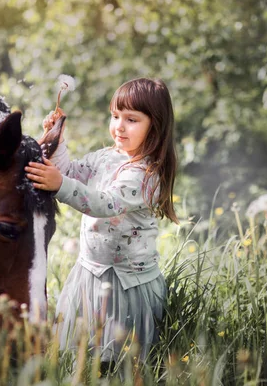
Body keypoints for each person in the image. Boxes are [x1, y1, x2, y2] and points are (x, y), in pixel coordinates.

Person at [25, 77, 178, 368]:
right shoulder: (106, 157)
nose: (119, 126)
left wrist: (60, 186)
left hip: (126, 283)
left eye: (131, 119)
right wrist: (58, 138)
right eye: (115, 116)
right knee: (81, 352)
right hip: (90, 272)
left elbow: (104, 204)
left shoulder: (146, 175)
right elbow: (70, 171)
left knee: (120, 359)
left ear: (155, 127)